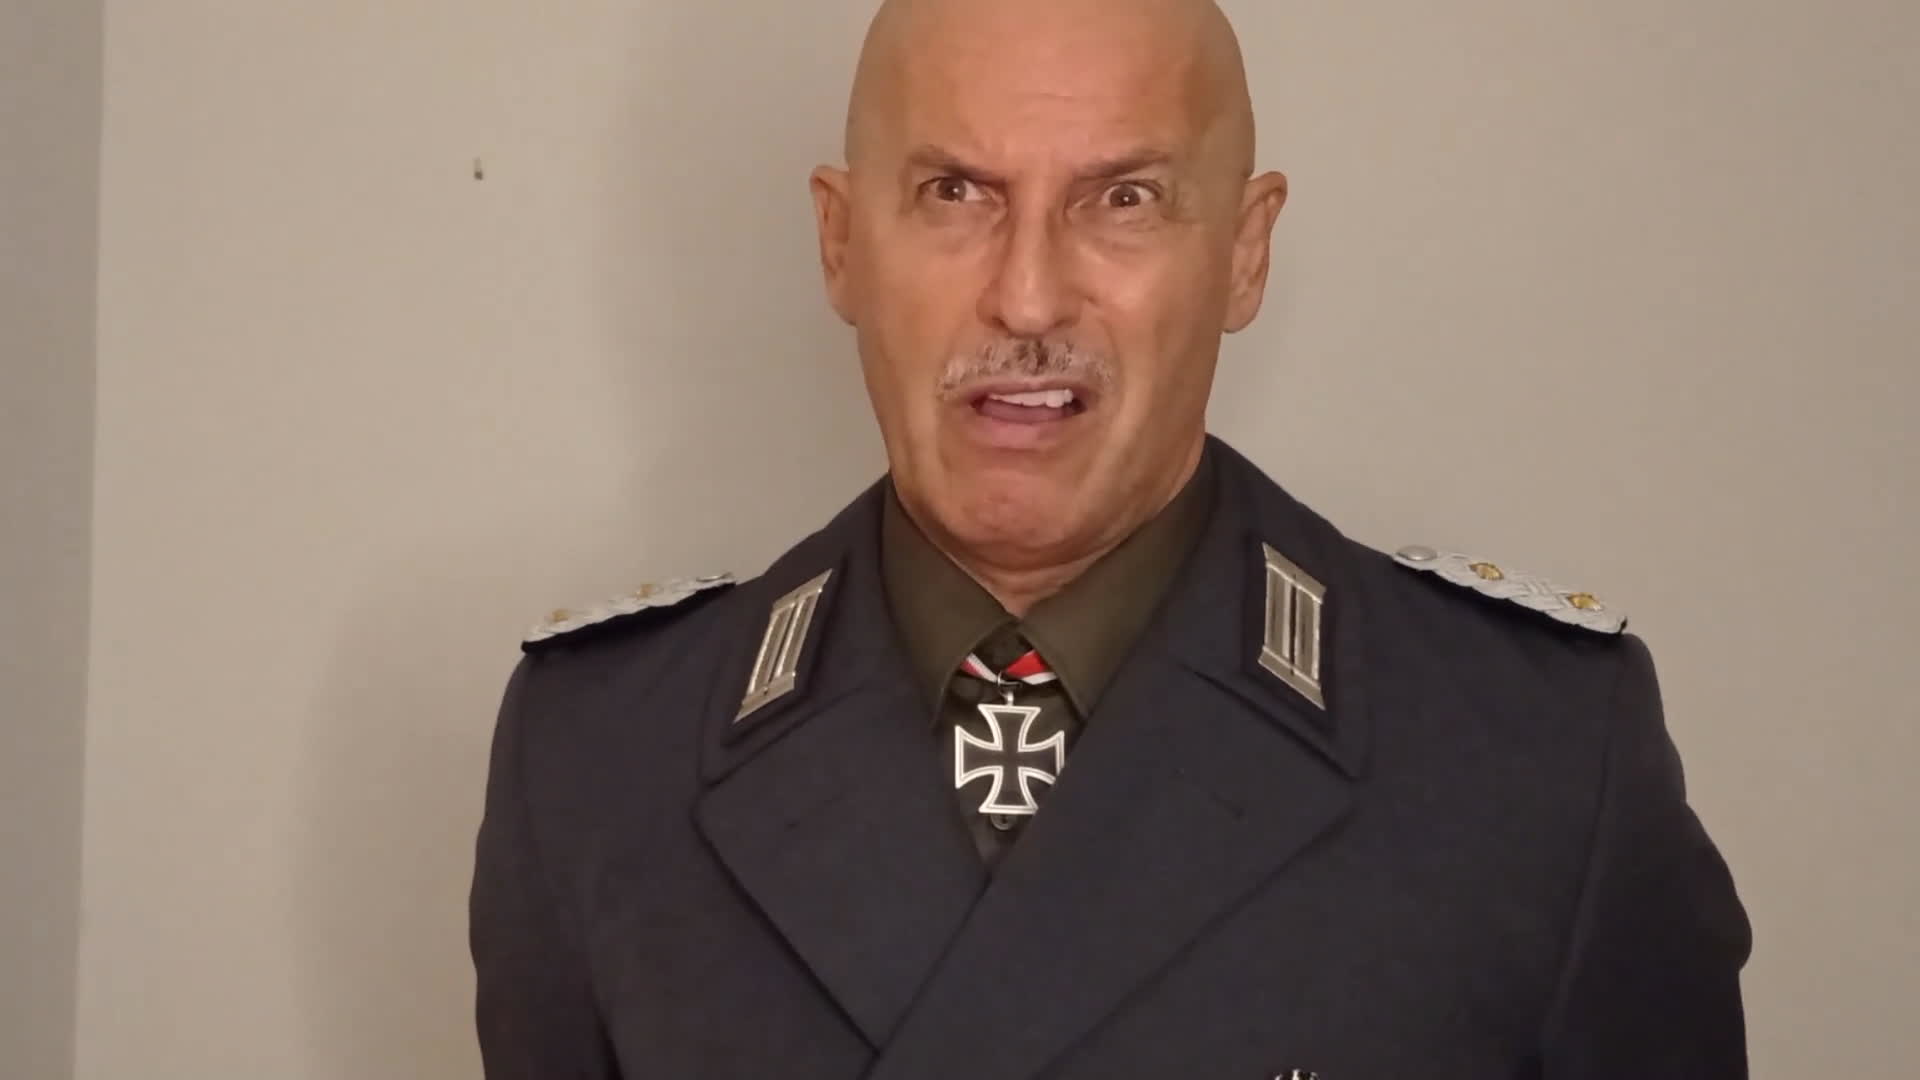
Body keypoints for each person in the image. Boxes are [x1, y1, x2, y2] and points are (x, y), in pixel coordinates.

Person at [469, 0, 1751, 1076]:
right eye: (956, 193)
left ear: (1243, 253)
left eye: (1122, 199)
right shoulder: (598, 760)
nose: (1029, 297)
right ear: (842, 242)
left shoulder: (1539, 762)